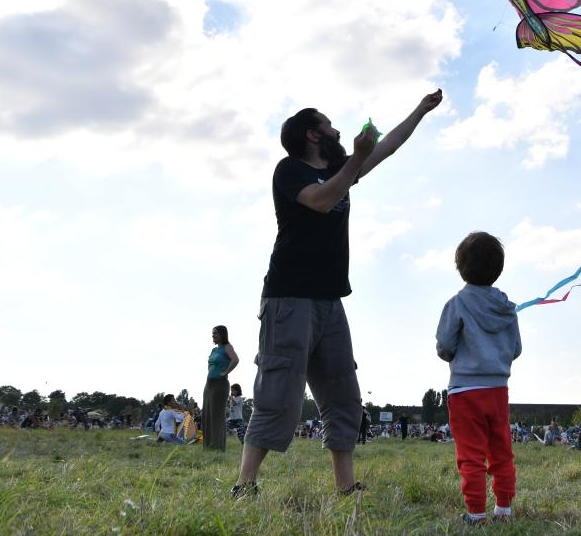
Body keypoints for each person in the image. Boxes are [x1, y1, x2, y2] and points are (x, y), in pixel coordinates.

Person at [233, 91, 443, 499]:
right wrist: (355, 159)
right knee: (278, 394)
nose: (337, 131)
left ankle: (346, 486)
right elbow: (322, 200)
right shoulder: (289, 170)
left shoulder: (336, 168)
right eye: (329, 125)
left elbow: (388, 146)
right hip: (289, 298)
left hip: (330, 301)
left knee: (344, 396)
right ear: (313, 135)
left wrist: (419, 110)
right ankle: (244, 485)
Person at [436, 231, 521, 526]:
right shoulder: (507, 308)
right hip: (498, 390)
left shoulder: (457, 304)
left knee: (471, 454)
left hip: (465, 390)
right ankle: (504, 509)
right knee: (502, 451)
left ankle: (475, 513)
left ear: (460, 266)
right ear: (498, 268)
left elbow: (445, 347)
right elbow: (516, 349)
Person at [203, 325, 239, 451]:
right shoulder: (214, 350)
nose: (213, 335)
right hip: (209, 384)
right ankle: (208, 445)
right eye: (212, 333)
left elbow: (235, 360)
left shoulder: (227, 347)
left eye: (215, 333)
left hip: (220, 384)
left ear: (222, 334)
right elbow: (210, 365)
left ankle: (217, 446)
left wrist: (225, 372)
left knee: (216, 415)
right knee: (207, 413)